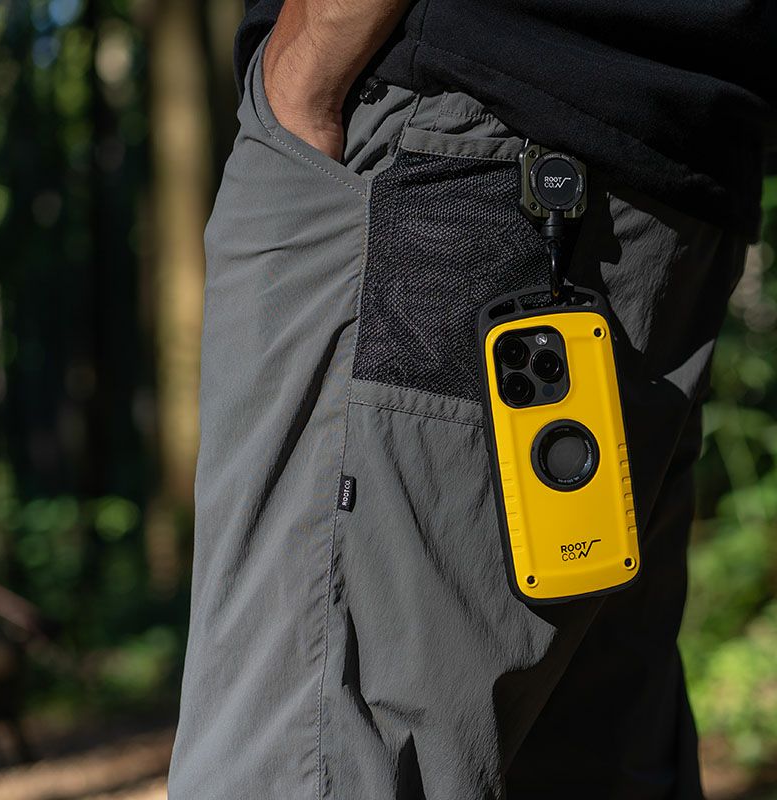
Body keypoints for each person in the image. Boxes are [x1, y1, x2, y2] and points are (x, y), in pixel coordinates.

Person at [168, 1, 776, 797]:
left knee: (302, 763)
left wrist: (307, 61)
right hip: (675, 181)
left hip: (450, 138)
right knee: (586, 759)